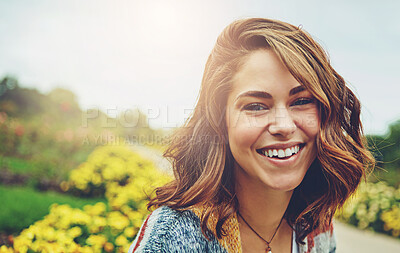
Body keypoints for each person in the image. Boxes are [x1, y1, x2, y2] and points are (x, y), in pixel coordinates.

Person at [129, 18, 374, 253]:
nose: (284, 126)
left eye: (301, 101)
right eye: (256, 106)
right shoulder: (171, 238)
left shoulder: (317, 226)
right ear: (220, 122)